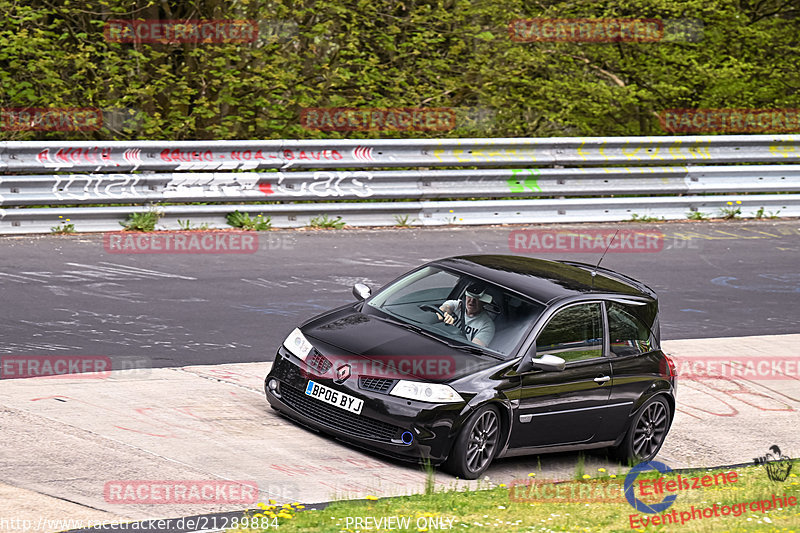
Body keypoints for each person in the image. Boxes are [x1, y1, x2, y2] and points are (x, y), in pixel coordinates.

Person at [437, 283, 495, 347]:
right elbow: (446, 307)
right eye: (469, 296)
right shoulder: (457, 305)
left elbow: (474, 349)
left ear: (484, 302)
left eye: (477, 298)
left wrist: (452, 329)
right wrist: (445, 314)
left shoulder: (487, 325)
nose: (472, 301)